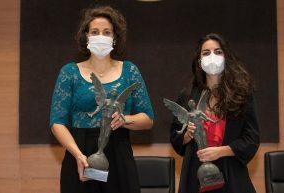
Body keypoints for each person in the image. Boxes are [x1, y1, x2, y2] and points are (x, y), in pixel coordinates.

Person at [49, 6, 154, 193]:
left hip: (118, 151)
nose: (100, 36)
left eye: (107, 32)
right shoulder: (69, 72)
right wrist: (78, 155)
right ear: (86, 36)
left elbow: (148, 118)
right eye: (95, 32)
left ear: (115, 38)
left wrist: (125, 119)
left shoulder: (130, 70)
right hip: (79, 152)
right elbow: (57, 122)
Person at [170, 33, 260, 193]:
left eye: (218, 52)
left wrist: (221, 151)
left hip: (230, 172)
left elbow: (251, 139)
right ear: (199, 62)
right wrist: (186, 135)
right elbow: (175, 140)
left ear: (226, 57)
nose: (212, 56)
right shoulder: (187, 95)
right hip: (195, 175)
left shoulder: (242, 94)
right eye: (206, 53)